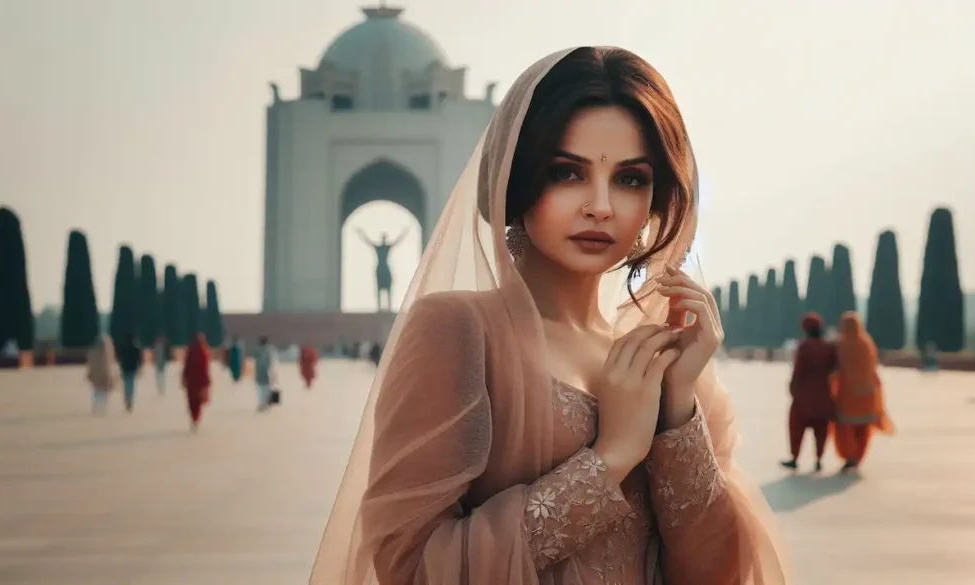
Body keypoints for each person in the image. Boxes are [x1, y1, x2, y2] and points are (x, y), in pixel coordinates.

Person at [310, 47, 788, 585]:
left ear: (657, 200)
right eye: (567, 173)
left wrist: (676, 411)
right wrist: (608, 460)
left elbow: (717, 573)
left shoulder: (655, 353)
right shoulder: (459, 332)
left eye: (630, 179)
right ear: (516, 182)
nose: (600, 206)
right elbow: (411, 569)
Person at [833, 311, 894, 472]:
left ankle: (849, 456)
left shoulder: (841, 345)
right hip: (867, 394)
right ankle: (857, 457)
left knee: (845, 428)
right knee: (863, 429)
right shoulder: (866, 343)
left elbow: (834, 369)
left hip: (848, 396)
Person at [781, 313, 837, 472]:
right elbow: (835, 367)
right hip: (823, 394)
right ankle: (818, 459)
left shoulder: (804, 346)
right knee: (821, 430)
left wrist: (792, 388)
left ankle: (794, 458)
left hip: (804, 395)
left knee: (797, 427)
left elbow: (798, 370)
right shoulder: (829, 347)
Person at [181, 333, 212, 431]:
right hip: (200, 381)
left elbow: (186, 366)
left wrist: (183, 378)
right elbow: (205, 368)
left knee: (191, 401)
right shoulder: (204, 352)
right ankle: (196, 419)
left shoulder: (190, 352)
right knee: (198, 402)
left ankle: (193, 418)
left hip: (191, 381)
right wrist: (207, 379)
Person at [85, 335, 118, 414]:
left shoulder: (93, 351)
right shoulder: (108, 352)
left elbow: (90, 363)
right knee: (103, 391)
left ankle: (97, 404)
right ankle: (102, 405)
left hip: (96, 374)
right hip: (104, 373)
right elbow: (110, 364)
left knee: (97, 390)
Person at [115, 333, 142, 412]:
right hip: (133, 368)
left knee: (126, 383)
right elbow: (139, 358)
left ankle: (127, 397)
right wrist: (140, 367)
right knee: (131, 383)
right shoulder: (136, 346)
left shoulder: (123, 346)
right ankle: (130, 398)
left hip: (125, 367)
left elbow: (119, 356)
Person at [253, 336, 277, 411]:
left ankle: (263, 404)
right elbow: (273, 362)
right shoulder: (270, 350)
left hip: (261, 372)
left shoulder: (258, 351)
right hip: (267, 372)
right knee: (267, 389)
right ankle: (267, 404)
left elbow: (256, 362)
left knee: (261, 389)